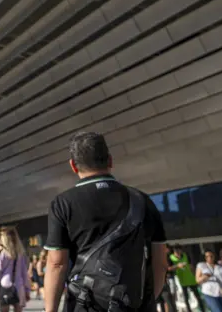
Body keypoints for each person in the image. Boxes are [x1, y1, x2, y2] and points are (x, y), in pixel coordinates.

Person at [43, 132, 168, 312]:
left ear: (73, 166)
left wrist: (50, 310)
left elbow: (57, 264)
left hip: (84, 304)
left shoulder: (63, 204)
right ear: (110, 160)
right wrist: (144, 302)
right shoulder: (142, 201)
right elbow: (160, 263)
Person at [0, 227, 31, 312]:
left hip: (5, 285)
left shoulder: (0, 255)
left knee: (4, 309)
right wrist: (27, 289)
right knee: (18, 309)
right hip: (19, 286)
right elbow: (24, 273)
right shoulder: (20, 254)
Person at [171, 246, 205, 312]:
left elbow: (191, 266)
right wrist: (177, 266)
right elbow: (169, 268)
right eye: (176, 251)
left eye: (179, 251)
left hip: (190, 279)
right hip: (182, 280)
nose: (178, 253)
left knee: (198, 297)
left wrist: (195, 276)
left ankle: (203, 310)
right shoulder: (171, 258)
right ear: (174, 252)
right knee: (186, 298)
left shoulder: (185, 255)